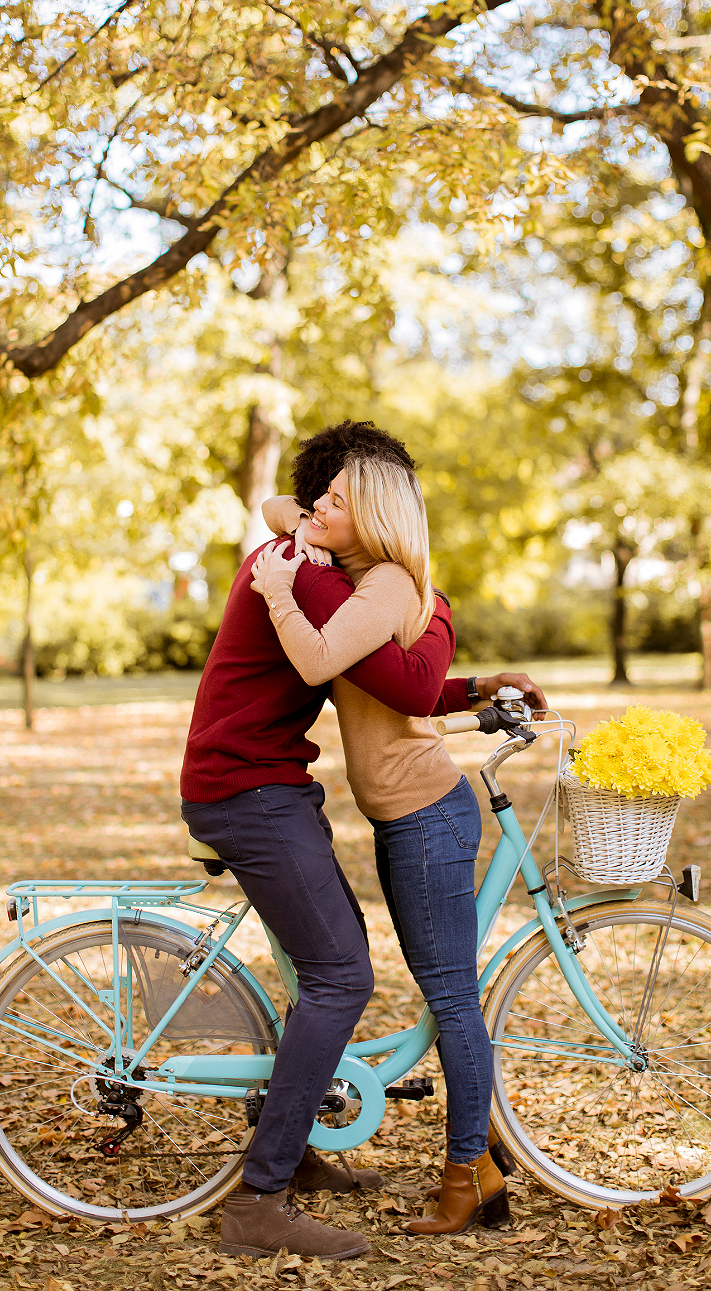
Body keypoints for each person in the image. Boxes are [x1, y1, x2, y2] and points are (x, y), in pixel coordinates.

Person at [180, 421, 506, 1260]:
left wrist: (453, 655)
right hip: (248, 787)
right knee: (341, 977)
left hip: (267, 782)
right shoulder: (300, 571)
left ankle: (300, 1148)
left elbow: (396, 683)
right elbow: (408, 677)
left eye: (339, 501)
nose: (320, 509)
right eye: (323, 497)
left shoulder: (312, 561)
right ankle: (260, 1200)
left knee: (332, 963)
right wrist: (443, 625)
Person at [252, 452, 546, 1237]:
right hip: (409, 818)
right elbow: (399, 690)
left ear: (374, 517)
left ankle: (468, 1177)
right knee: (443, 995)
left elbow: (317, 659)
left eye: (336, 499)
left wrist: (280, 590)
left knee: (450, 997)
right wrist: (480, 686)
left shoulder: (382, 585)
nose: (318, 505)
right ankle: (475, 1158)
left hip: (426, 816)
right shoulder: (360, 584)